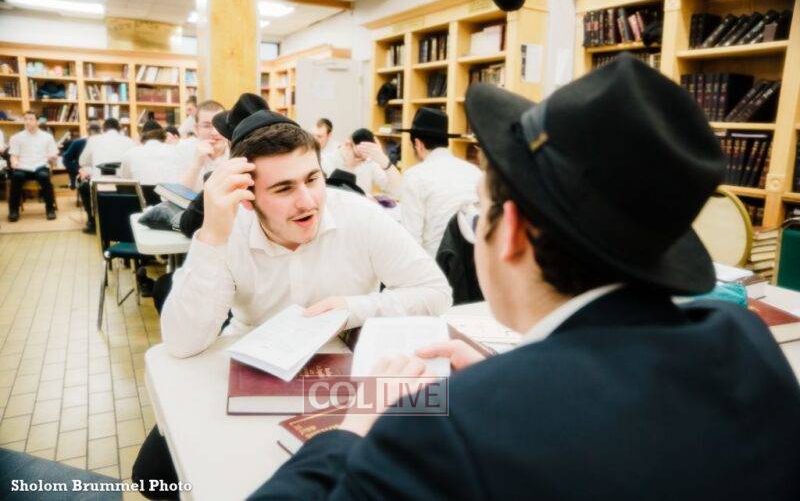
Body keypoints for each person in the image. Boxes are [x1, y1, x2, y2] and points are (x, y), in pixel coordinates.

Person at [250, 55, 800, 499]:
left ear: (510, 231)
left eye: (476, 212)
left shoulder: (449, 433)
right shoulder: (745, 341)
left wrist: (357, 423)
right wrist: (513, 377)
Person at [134, 95, 451, 500]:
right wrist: (211, 236)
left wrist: (354, 309)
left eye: (312, 179)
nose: (308, 201)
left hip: (340, 380)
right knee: (163, 475)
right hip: (252, 372)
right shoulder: (229, 230)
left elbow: (435, 293)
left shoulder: (360, 216)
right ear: (248, 196)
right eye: (284, 188)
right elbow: (181, 343)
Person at [398, 107, 482, 257]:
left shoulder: (414, 176)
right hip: (474, 263)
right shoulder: (475, 172)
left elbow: (411, 241)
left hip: (435, 264)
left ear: (418, 144)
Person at [78, 118, 136, 233]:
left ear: (103, 129)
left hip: (99, 185)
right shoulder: (129, 141)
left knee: (83, 186)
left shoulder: (93, 140)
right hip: (124, 185)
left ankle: (92, 223)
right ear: (119, 129)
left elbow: (82, 162)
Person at [7, 110, 58, 221]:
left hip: (40, 165)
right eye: (25, 119)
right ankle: (13, 210)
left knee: (44, 176)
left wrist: (53, 158)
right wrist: (13, 162)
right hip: (23, 167)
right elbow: (13, 156)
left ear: (37, 121)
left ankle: (50, 209)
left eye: (31, 119)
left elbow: (53, 154)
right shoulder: (16, 137)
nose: (28, 121)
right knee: (17, 176)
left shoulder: (47, 137)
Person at [175, 99, 229, 192]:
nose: (215, 132)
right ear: (196, 129)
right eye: (207, 126)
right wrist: (197, 162)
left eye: (219, 125)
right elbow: (175, 196)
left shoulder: (238, 153)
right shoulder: (182, 150)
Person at [332, 129, 401, 197]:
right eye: (358, 156)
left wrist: (384, 160)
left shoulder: (369, 160)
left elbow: (397, 191)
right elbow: (337, 195)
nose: (362, 160)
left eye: (365, 156)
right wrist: (349, 167)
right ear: (348, 144)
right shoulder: (331, 159)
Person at [120, 120, 181, 187]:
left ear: (141, 137)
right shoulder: (175, 152)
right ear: (164, 136)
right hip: (168, 193)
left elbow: (125, 182)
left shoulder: (130, 154)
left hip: (141, 193)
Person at [62, 121, 101, 189]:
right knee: (86, 187)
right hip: (84, 175)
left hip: (100, 174)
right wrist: (80, 170)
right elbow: (66, 160)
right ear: (88, 133)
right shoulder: (78, 143)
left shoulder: (104, 143)